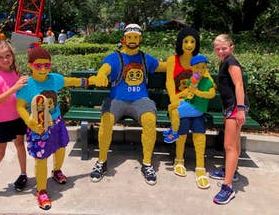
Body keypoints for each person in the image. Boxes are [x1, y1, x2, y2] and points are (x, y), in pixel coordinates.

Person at [16, 46, 96, 210]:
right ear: (30, 65)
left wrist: (89, 81)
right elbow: (20, 107)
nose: (44, 69)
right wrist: (29, 121)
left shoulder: (53, 79)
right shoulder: (26, 85)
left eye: (47, 65)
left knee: (61, 148)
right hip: (39, 126)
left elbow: (70, 81)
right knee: (41, 158)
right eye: (39, 66)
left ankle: (57, 171)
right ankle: (41, 191)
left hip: (57, 122)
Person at [90, 24, 166, 185]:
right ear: (125, 38)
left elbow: (163, 66)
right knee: (106, 121)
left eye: (136, 37)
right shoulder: (115, 57)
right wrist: (101, 75)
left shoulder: (145, 58)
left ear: (140, 38)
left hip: (140, 100)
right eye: (130, 37)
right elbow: (105, 68)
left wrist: (183, 62)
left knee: (150, 121)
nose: (132, 40)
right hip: (117, 100)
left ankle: (147, 163)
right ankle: (101, 161)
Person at [165, 27, 214, 189]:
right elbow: (170, 82)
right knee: (182, 128)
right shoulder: (173, 60)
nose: (189, 45)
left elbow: (208, 79)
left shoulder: (199, 61)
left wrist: (206, 88)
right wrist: (174, 98)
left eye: (192, 41)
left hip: (196, 104)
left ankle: (201, 167)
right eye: (186, 41)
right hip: (180, 104)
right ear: (180, 43)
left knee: (199, 132)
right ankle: (179, 159)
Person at [0, 40, 29, 205]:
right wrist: (15, 87)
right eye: (1, 57)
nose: (5, 60)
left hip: (17, 117)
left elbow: (19, 94)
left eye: (8, 56)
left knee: (20, 145)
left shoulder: (15, 71)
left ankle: (23, 174)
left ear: (12, 56)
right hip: (2, 120)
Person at [211, 34, 249, 204]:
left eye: (224, 48)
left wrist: (240, 109)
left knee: (229, 146)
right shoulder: (225, 61)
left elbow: (239, 85)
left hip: (235, 108)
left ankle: (227, 187)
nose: (220, 51)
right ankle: (231, 172)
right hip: (231, 107)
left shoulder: (231, 62)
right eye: (217, 48)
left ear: (231, 48)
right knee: (235, 143)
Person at [164, 55, 215, 148]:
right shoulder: (194, 78)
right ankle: (173, 127)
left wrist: (199, 93)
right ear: (192, 68)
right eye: (197, 67)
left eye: (203, 67)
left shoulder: (207, 81)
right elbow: (188, 90)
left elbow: (212, 94)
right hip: (189, 102)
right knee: (171, 107)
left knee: (175, 113)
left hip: (197, 108)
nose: (200, 69)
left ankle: (175, 133)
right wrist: (178, 96)